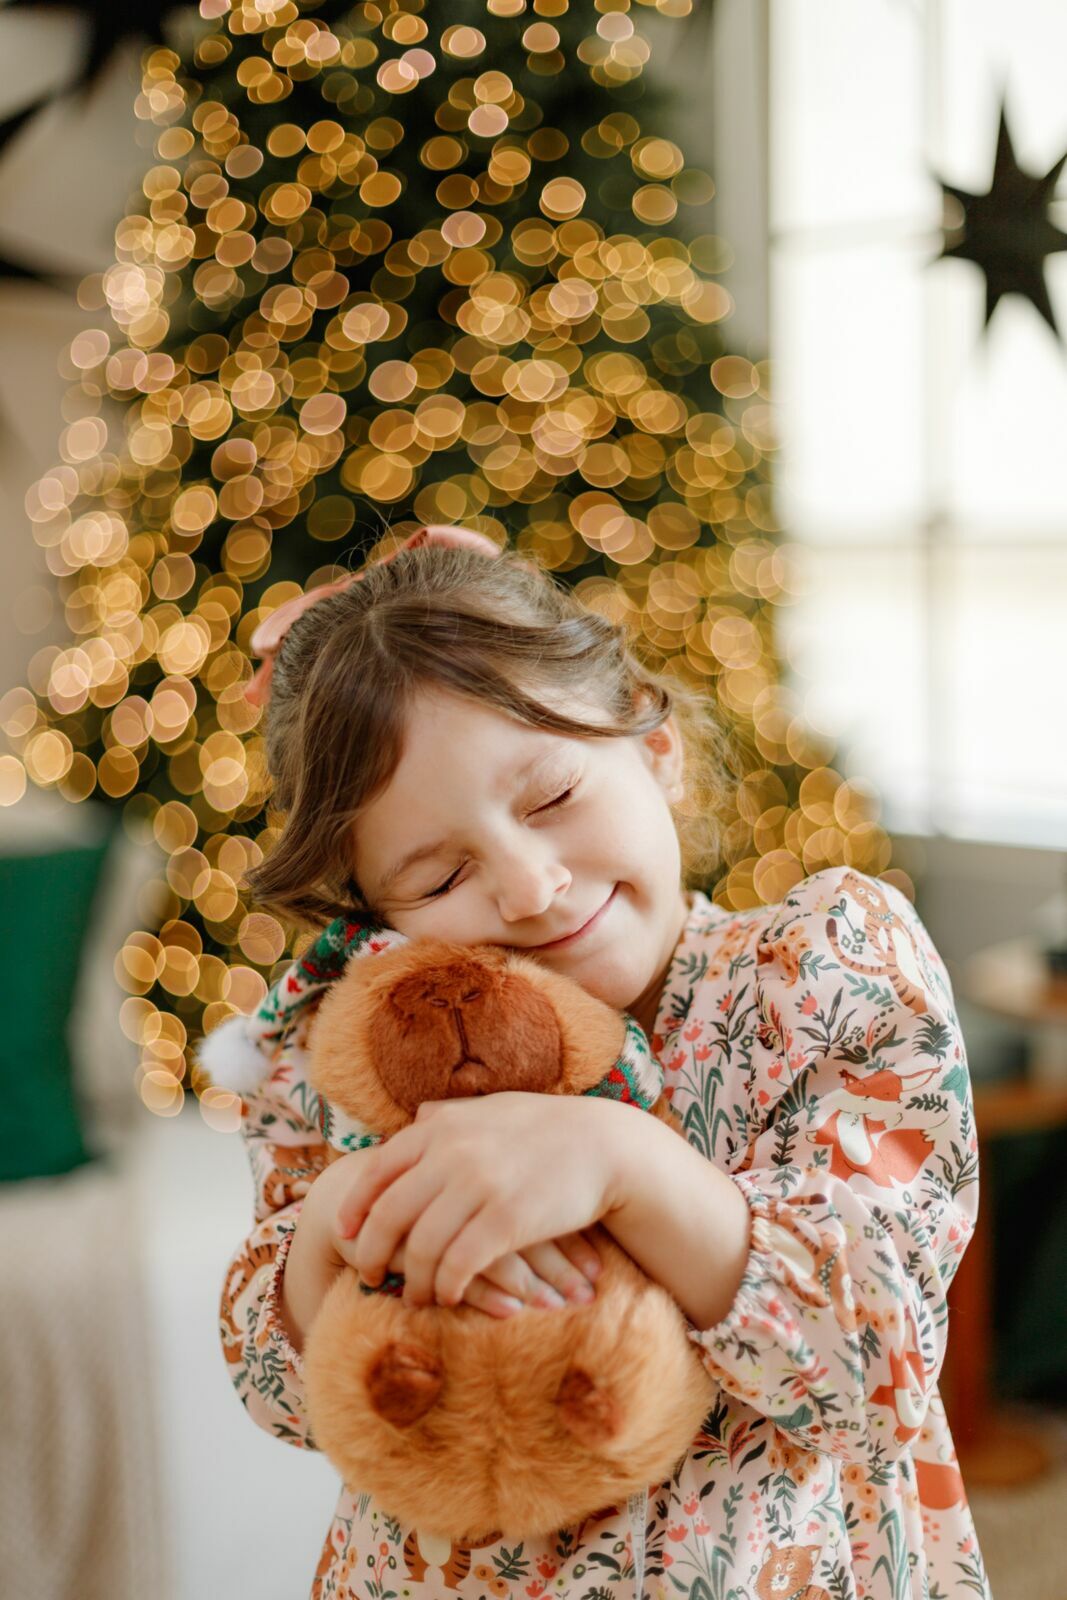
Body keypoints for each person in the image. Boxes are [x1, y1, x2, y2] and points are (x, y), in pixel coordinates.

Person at [214, 525, 991, 1600]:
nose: (529, 886)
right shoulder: (354, 1054)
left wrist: (623, 1164)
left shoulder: (817, 970)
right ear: (373, 908)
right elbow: (284, 1392)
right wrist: (356, 1204)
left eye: (550, 801)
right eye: (440, 875)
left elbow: (878, 1366)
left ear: (651, 745)